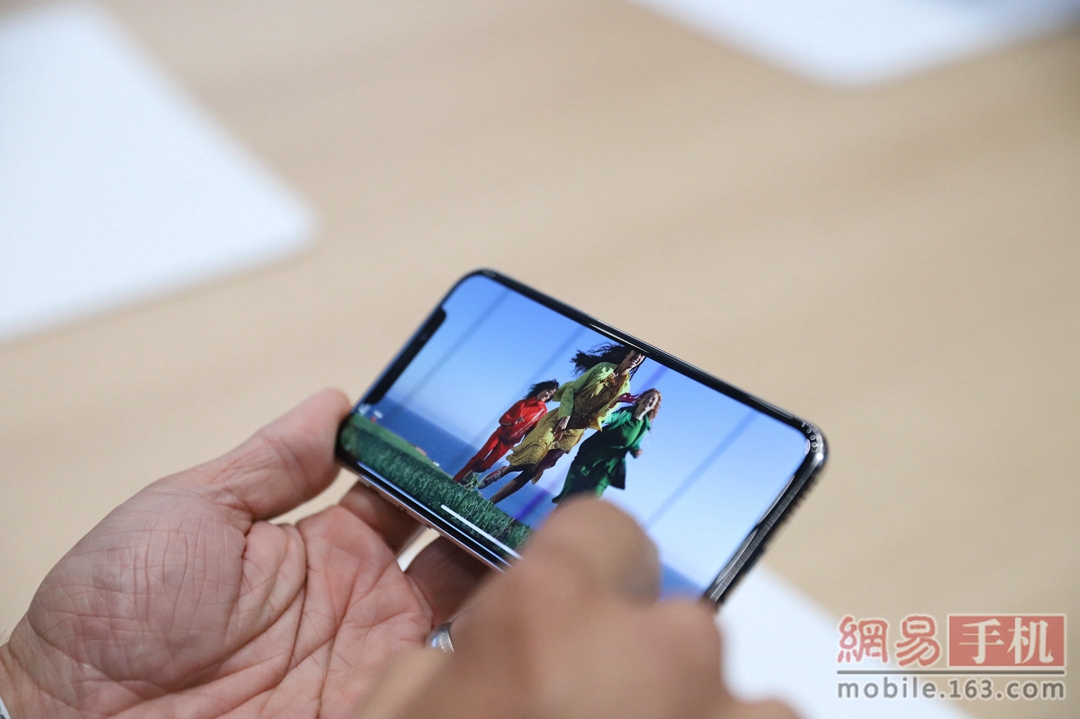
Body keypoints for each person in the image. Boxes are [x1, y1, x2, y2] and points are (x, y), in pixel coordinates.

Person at [0, 390, 797, 719]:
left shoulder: (625, 420)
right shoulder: (562, 404)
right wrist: (48, 692)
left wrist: (42, 694)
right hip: (535, 449)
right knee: (511, 487)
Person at [480, 344, 645, 505]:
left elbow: (602, 417)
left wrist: (613, 403)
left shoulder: (625, 387)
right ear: (628, 352)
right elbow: (571, 390)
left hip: (575, 431)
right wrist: (565, 416)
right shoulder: (602, 368)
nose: (638, 357)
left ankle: (490, 503)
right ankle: (505, 470)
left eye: (642, 357)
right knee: (532, 457)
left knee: (532, 471)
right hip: (558, 419)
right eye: (637, 352)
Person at [552, 388, 661, 504]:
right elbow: (609, 418)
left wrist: (636, 451)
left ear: (653, 407)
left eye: (653, 400)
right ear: (640, 399)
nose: (649, 400)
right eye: (648, 397)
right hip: (591, 459)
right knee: (570, 497)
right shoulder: (624, 413)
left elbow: (634, 444)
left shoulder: (644, 426)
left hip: (607, 468)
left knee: (589, 502)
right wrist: (612, 404)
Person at [451, 380, 559, 485]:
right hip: (499, 434)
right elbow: (502, 419)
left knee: (486, 466)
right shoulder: (521, 403)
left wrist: (526, 445)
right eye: (548, 391)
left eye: (551, 394)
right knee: (480, 456)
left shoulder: (543, 411)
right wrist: (514, 421)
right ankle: (457, 479)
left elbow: (532, 430)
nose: (548, 395)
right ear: (541, 388)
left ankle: (470, 473)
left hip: (509, 443)